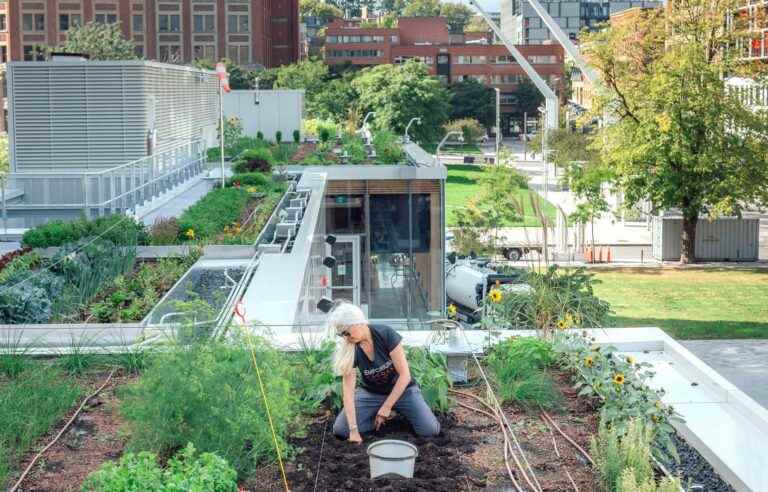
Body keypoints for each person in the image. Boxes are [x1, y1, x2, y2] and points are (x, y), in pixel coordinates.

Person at [328, 303, 440, 443]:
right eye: (341, 334)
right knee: (341, 430)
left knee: (429, 430)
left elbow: (405, 376)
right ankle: (378, 415)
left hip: (403, 391)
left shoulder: (385, 334)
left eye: (346, 332)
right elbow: (348, 393)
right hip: (372, 394)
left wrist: (386, 407)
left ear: (358, 323)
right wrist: (353, 430)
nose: (345, 337)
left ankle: (397, 413)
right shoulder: (350, 349)